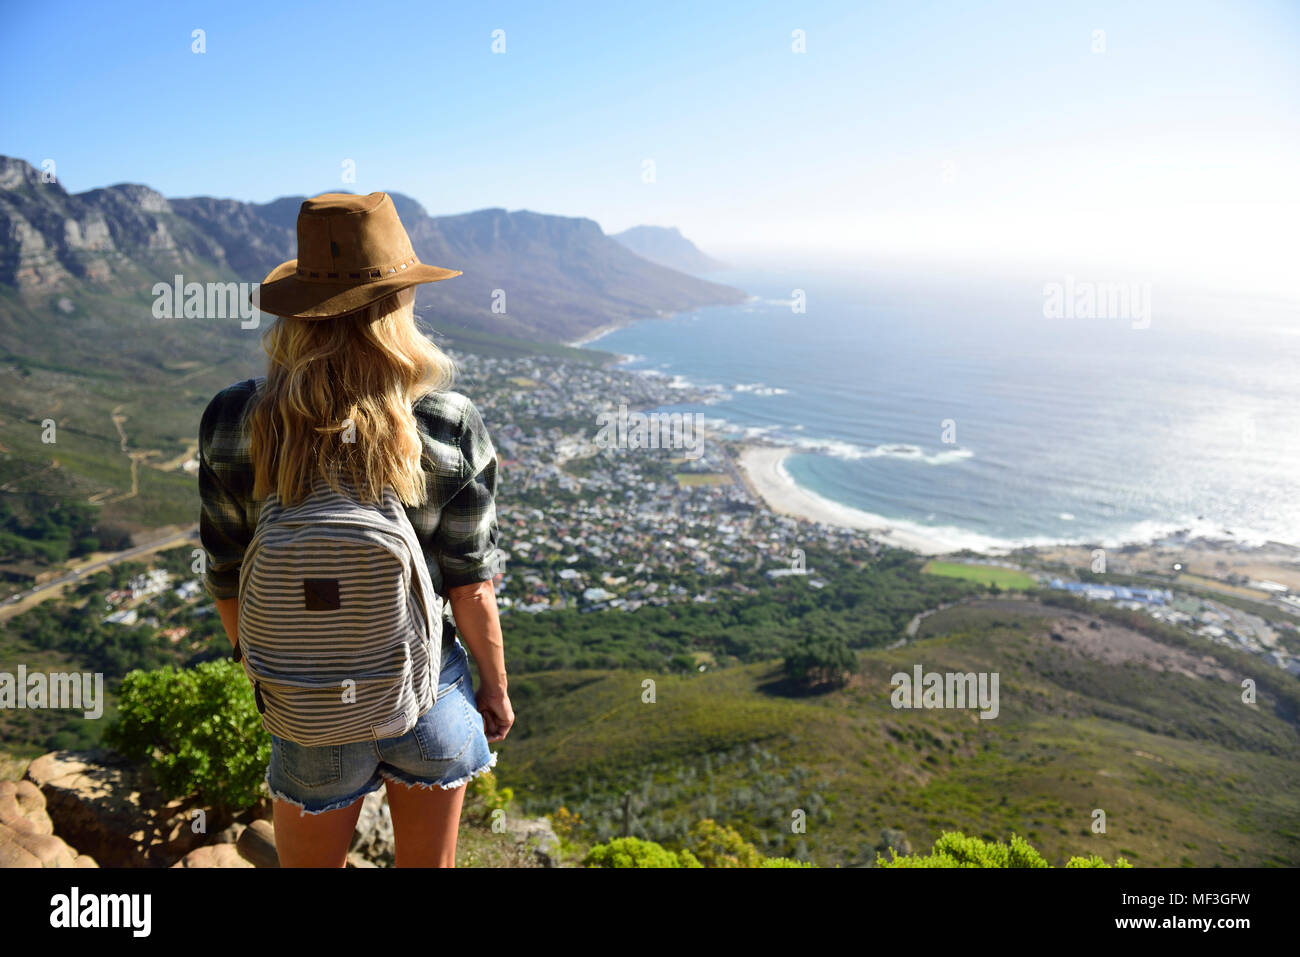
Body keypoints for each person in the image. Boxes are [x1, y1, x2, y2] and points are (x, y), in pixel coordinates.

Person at [197, 191, 513, 867]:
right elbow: (470, 588)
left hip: (307, 712)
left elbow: (226, 572)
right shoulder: (446, 422)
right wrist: (496, 687)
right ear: (398, 306)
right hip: (425, 697)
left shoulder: (233, 418)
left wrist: (268, 673)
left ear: (296, 313)